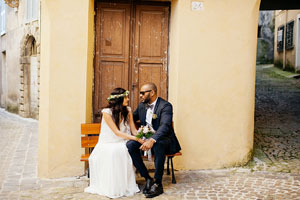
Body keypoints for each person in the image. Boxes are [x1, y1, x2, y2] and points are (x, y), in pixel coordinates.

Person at [84, 88, 144, 199]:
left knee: (125, 150)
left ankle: (125, 185)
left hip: (123, 140)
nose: (128, 99)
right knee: (115, 152)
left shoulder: (128, 110)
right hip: (108, 142)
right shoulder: (107, 113)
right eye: (126, 97)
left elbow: (133, 129)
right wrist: (135, 139)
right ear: (119, 99)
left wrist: (140, 136)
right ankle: (114, 186)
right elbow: (116, 132)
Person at [126, 83, 181, 198]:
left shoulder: (165, 106)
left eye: (142, 93)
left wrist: (153, 139)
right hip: (145, 138)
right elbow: (131, 118)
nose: (140, 95)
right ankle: (147, 178)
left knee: (158, 145)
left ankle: (158, 183)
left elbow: (165, 126)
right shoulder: (141, 106)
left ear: (152, 92)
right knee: (130, 145)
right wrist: (117, 111)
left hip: (164, 140)